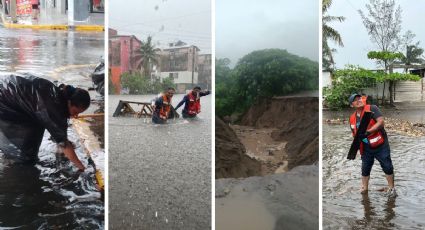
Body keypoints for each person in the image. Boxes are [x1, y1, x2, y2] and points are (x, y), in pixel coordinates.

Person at [0, 74, 90, 171]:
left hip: (10, 87)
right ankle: (16, 166)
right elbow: (64, 143)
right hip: (5, 102)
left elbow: (56, 127)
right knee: (25, 155)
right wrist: (82, 168)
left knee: (39, 124)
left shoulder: (60, 93)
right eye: (75, 112)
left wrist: (60, 139)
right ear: (69, 102)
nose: (75, 116)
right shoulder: (52, 107)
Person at [348, 93, 396, 196]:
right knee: (365, 168)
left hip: (380, 144)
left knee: (387, 166)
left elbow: (381, 122)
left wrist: (369, 132)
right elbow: (355, 135)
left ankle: (391, 188)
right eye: (355, 100)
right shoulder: (352, 118)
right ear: (352, 105)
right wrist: (355, 150)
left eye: (359, 98)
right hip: (365, 147)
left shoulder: (372, 108)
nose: (359, 100)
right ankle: (364, 189)